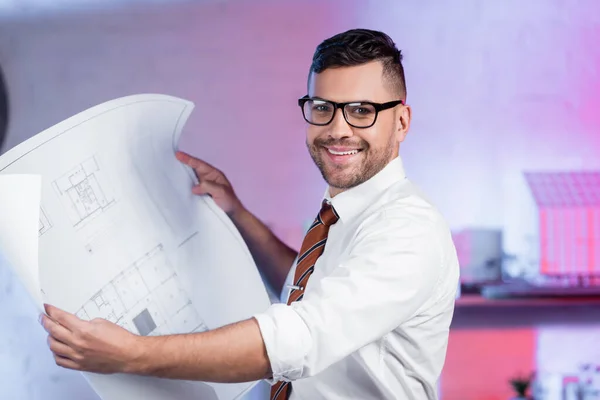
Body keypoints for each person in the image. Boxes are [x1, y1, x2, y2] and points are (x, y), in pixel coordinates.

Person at [40, 28, 459, 399]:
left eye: (362, 110)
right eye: (321, 107)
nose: (337, 128)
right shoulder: (344, 213)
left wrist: (131, 354)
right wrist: (237, 214)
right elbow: (307, 289)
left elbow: (298, 337)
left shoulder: (407, 230)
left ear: (401, 122)